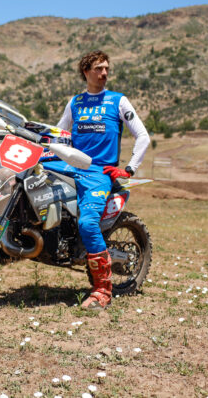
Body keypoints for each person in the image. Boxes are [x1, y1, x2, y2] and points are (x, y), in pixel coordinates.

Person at [42, 50, 149, 310]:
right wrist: (40, 146)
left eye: (106, 69)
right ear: (85, 71)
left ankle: (102, 289)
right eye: (98, 68)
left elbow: (142, 137)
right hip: (68, 166)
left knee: (88, 224)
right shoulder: (75, 103)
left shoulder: (118, 101)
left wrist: (130, 169)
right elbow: (58, 134)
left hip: (98, 172)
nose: (103, 73)